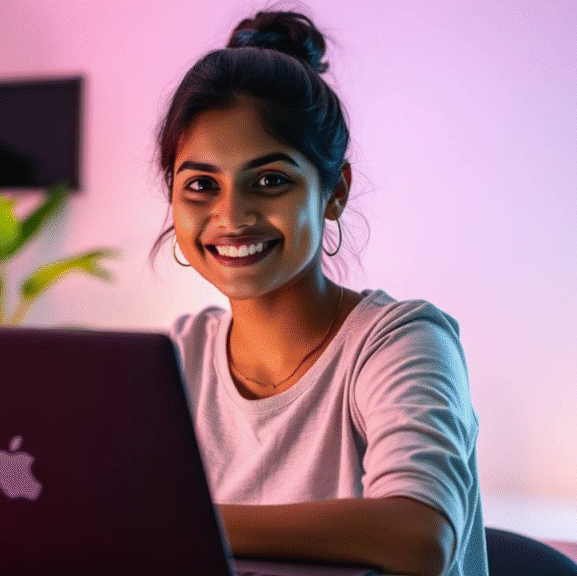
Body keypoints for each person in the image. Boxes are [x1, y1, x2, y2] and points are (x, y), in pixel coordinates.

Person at [156, 9, 487, 576]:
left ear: (334, 193)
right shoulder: (174, 357)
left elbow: (417, 535)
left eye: (271, 181)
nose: (231, 217)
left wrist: (176, 520)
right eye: (201, 186)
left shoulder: (400, 342)